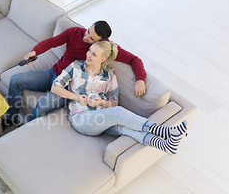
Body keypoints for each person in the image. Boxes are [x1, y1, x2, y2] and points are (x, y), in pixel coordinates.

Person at [0, 20, 146, 131]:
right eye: (88, 31)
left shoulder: (102, 51)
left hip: (68, 88)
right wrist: (35, 52)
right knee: (15, 80)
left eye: (91, 38)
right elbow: (52, 42)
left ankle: (25, 134)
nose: (86, 37)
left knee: (41, 106)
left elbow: (134, 59)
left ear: (101, 42)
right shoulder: (75, 32)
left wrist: (140, 79)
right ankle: (10, 117)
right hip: (53, 73)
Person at [51, 40, 187, 155]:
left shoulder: (109, 77)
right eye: (89, 51)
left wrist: (103, 102)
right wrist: (77, 97)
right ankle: (165, 131)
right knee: (118, 113)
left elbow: (114, 104)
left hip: (102, 120)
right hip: (81, 118)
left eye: (94, 54)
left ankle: (165, 145)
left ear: (102, 59)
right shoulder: (75, 67)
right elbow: (55, 87)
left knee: (126, 129)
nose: (88, 55)